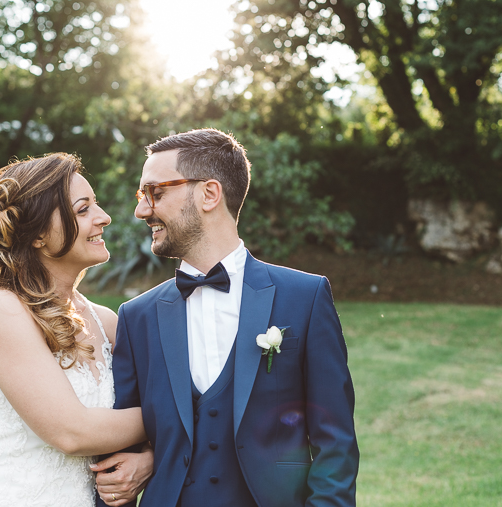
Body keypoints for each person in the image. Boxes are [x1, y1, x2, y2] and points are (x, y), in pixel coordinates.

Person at [94, 129, 359, 507]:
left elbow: (336, 443)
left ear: (209, 194)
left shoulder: (305, 297)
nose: (141, 210)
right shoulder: (137, 317)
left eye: (155, 192)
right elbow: (118, 457)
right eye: (142, 195)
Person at [0, 153, 153, 507]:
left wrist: (148, 458)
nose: (103, 218)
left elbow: (136, 412)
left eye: (97, 205)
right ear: (39, 234)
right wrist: (181, 415)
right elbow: (72, 433)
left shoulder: (106, 322)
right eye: (83, 209)